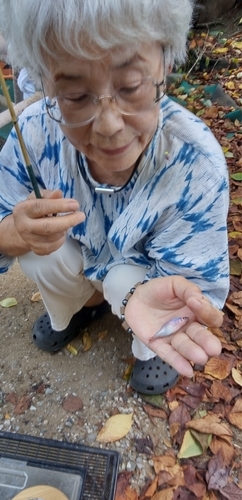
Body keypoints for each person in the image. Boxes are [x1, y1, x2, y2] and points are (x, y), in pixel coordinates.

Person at [0, 0, 229, 395]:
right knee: (40, 252)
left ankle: (148, 345)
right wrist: (15, 233)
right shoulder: (33, 135)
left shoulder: (196, 164)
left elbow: (198, 282)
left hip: (147, 279)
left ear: (167, 63)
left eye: (131, 87)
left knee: (150, 294)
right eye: (74, 96)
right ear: (45, 82)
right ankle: (79, 308)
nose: (107, 127)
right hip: (78, 259)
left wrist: (149, 299)